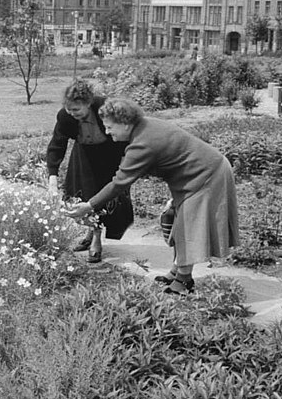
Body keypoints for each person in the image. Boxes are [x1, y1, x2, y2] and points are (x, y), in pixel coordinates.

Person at [65, 98, 239, 294]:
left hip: (208, 174)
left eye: (109, 127)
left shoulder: (143, 143)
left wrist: (89, 206)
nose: (107, 132)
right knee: (176, 220)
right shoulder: (143, 127)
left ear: (125, 123)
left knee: (187, 227)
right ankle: (176, 272)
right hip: (194, 175)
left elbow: (119, 183)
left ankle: (184, 281)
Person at [46, 80, 133, 263]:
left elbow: (125, 134)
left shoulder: (106, 109)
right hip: (83, 156)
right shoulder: (65, 116)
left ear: (88, 103)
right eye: (69, 109)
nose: (72, 113)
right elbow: (57, 144)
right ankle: (90, 233)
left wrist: (126, 163)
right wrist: (52, 176)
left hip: (109, 155)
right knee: (83, 196)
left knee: (103, 197)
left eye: (76, 109)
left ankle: (95, 239)